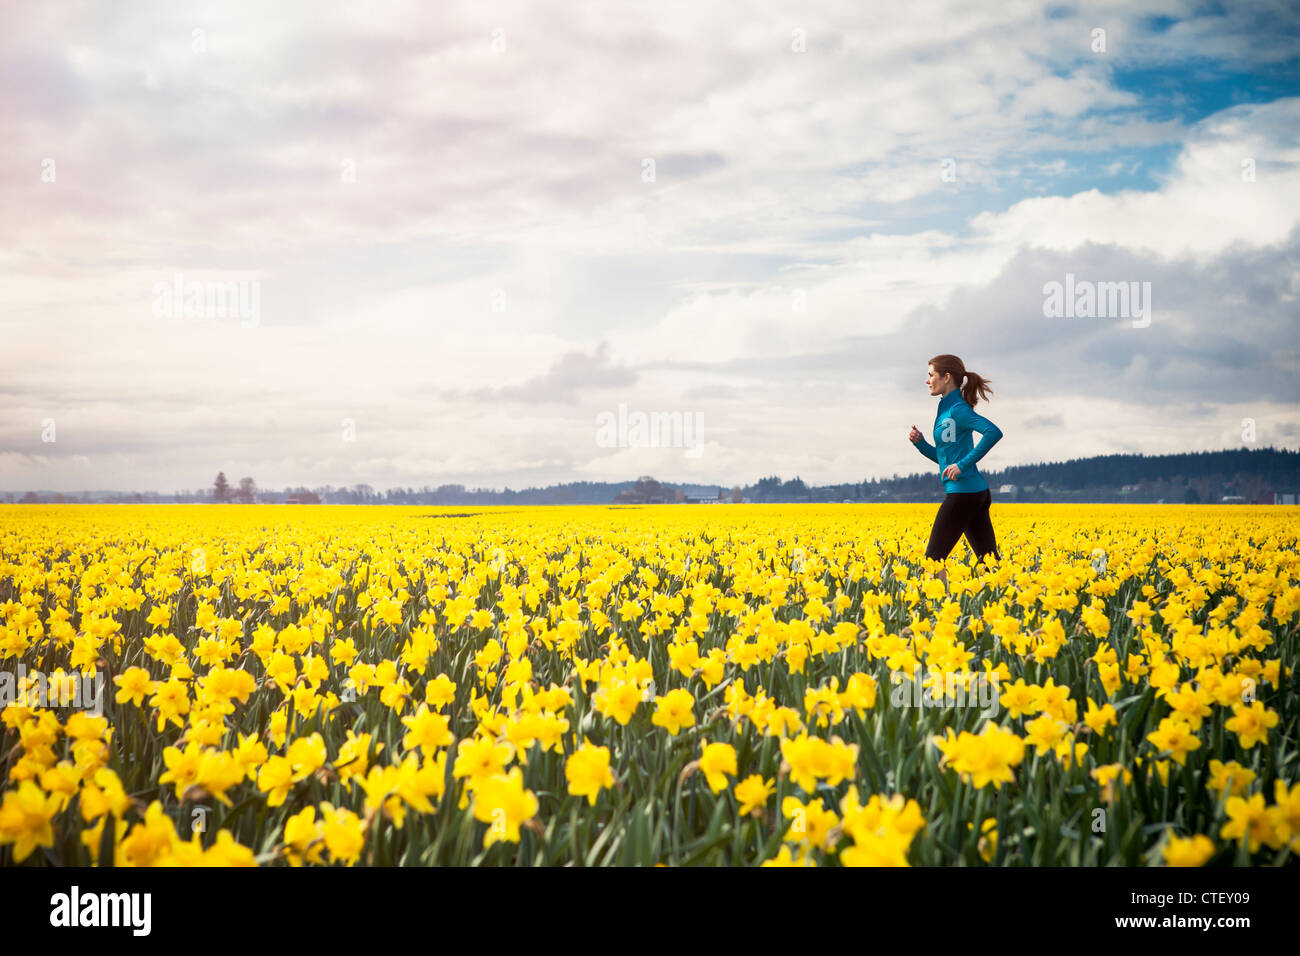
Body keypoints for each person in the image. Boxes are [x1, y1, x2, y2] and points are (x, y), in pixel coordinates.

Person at [907, 354, 1003, 581]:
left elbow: (993, 432)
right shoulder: (945, 410)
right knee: (989, 562)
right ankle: (1014, 605)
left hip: (963, 495)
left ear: (946, 377)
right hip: (974, 493)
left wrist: (962, 465)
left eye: (931, 375)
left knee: (933, 560)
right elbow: (944, 462)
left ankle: (939, 608)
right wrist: (920, 443)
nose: (927, 380)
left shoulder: (958, 410)